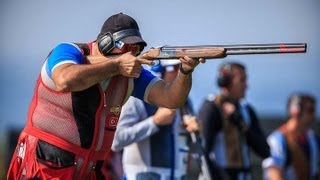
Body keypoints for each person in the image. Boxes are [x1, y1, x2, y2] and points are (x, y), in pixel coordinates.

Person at [7, 13, 205, 179]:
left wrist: (185, 72)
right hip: (44, 164)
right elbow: (64, 79)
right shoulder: (68, 51)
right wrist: (116, 65)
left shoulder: (129, 73)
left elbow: (172, 98)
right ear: (105, 41)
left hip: (89, 170)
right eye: (125, 46)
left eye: (136, 48)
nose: (131, 53)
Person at [111, 60, 199, 180]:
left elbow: (193, 147)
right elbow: (116, 141)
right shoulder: (136, 99)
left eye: (181, 67)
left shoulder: (185, 102)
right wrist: (154, 122)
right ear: (160, 71)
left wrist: (197, 130)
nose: (180, 73)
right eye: (174, 68)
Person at [198, 62, 270, 180]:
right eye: (242, 80)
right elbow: (202, 151)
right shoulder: (211, 108)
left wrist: (239, 121)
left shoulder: (246, 110)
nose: (246, 85)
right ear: (226, 82)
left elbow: (265, 151)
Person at [262, 93, 319, 180]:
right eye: (310, 110)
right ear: (296, 111)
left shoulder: (313, 139)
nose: (314, 116)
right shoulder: (277, 140)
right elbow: (274, 174)